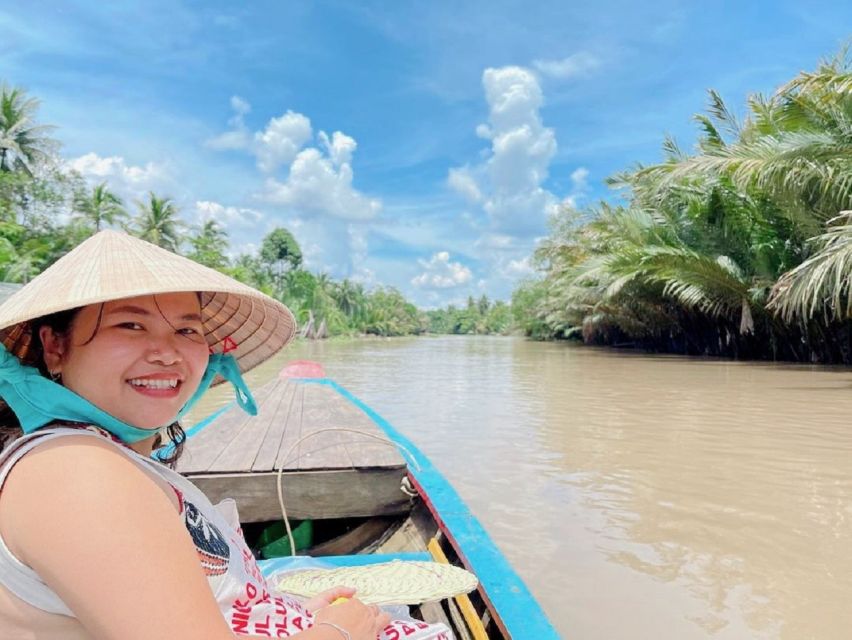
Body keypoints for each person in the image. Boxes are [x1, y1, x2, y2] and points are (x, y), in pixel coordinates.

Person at [0, 230, 451, 640]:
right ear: (55, 346)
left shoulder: (106, 458)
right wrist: (338, 630)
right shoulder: (74, 471)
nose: (166, 352)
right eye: (130, 325)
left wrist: (283, 613)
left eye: (186, 330)